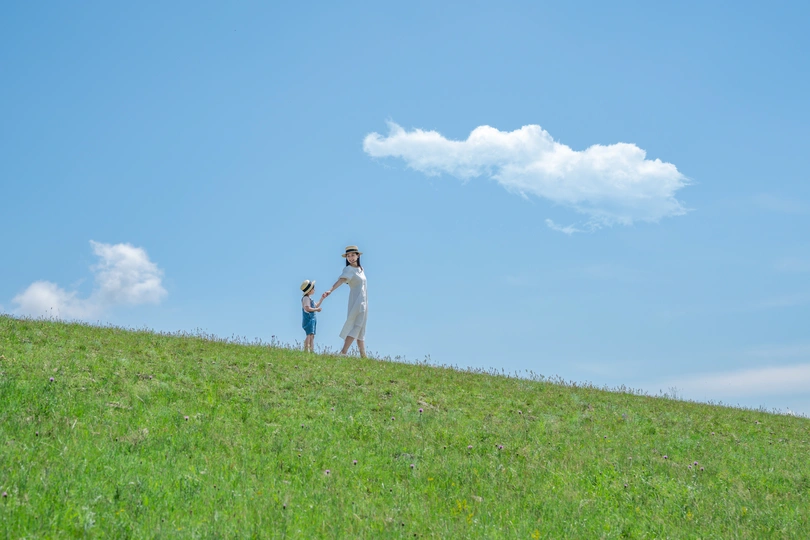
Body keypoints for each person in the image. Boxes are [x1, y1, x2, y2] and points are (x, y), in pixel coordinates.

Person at [322, 245, 367, 357]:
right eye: (348, 256)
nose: (350, 258)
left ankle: (364, 357)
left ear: (357, 255)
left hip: (364, 301)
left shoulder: (361, 269)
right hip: (356, 301)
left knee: (361, 329)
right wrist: (330, 290)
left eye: (352, 255)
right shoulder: (348, 269)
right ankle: (343, 352)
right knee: (356, 325)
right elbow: (341, 280)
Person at [300, 279, 323, 352]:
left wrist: (322, 298)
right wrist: (316, 310)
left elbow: (316, 305)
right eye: (313, 288)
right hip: (309, 319)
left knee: (312, 335)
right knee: (309, 335)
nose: (314, 290)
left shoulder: (310, 299)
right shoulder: (306, 298)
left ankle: (311, 350)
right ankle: (307, 350)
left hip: (312, 320)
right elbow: (307, 308)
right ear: (309, 290)